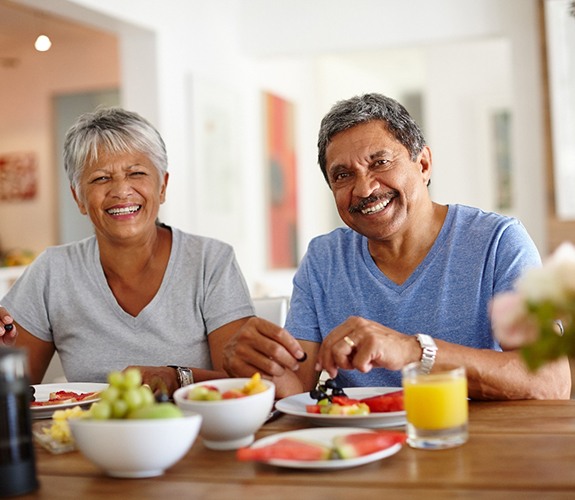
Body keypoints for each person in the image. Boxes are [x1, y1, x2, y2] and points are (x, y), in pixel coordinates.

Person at [222, 93, 571, 400]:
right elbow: (296, 388)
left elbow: (550, 381)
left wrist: (413, 351)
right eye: (343, 175)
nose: (364, 189)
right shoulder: (324, 259)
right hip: (361, 455)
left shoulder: (498, 242)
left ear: (423, 164)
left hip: (472, 446)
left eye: (380, 162)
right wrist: (256, 365)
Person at [0, 107, 254, 396]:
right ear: (78, 197)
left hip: (196, 435)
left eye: (136, 173)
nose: (121, 191)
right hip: (88, 437)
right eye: (100, 178)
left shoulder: (211, 262)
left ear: (162, 187)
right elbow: (10, 388)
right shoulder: (52, 271)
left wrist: (176, 377)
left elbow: (242, 386)